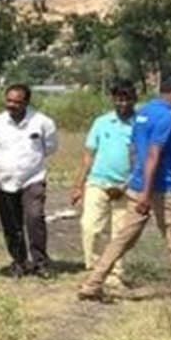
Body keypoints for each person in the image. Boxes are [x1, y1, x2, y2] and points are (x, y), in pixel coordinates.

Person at [78, 76, 171, 301]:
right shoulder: (167, 117)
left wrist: (135, 179)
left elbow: (134, 149)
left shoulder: (144, 113)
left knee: (122, 239)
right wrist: (146, 193)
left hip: (137, 187)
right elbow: (154, 154)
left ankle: (92, 283)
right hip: (162, 189)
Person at [0, 83, 58, 277]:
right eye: (9, 100)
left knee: (34, 218)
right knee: (11, 223)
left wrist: (29, 164)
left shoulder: (42, 122)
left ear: (27, 102)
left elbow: (50, 147)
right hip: (4, 180)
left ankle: (40, 262)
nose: (12, 105)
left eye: (17, 102)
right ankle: (19, 261)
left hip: (33, 179)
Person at [71, 81, 137, 288]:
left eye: (126, 98)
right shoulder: (102, 122)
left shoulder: (140, 123)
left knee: (120, 232)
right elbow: (89, 155)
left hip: (127, 184)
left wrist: (128, 185)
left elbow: (144, 158)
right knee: (89, 226)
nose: (122, 103)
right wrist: (78, 185)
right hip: (98, 181)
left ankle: (115, 274)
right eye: (118, 98)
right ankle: (95, 270)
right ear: (113, 99)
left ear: (134, 99)